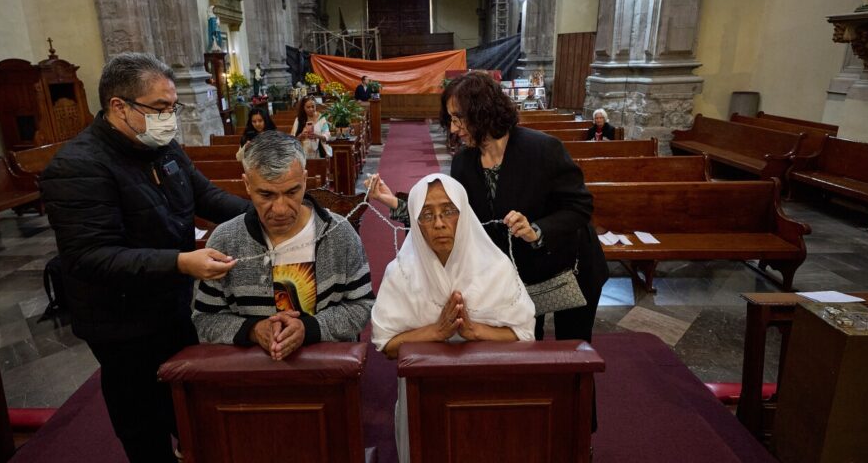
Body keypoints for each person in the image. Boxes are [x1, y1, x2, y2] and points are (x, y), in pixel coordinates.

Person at [40, 52, 249, 463]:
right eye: (159, 108)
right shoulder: (76, 167)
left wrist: (267, 210)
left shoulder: (163, 147)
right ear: (119, 106)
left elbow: (206, 196)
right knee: (144, 422)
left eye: (173, 107)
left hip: (171, 307)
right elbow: (91, 257)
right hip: (121, 323)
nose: (168, 118)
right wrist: (180, 262)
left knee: (189, 408)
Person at [368, 71, 608, 345]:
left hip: (569, 265)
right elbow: (458, 217)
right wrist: (397, 205)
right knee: (528, 346)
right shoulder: (464, 162)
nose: (454, 129)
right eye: (451, 120)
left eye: (459, 119)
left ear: (482, 111)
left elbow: (580, 206)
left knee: (573, 350)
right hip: (521, 273)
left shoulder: (542, 149)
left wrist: (536, 230)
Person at [371, 173, 535, 463]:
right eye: (426, 214)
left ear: (465, 213)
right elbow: (386, 346)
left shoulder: (495, 268)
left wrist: (474, 331)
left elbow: (523, 334)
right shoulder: (401, 274)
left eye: (448, 211)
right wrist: (437, 332)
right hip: (424, 397)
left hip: (486, 390)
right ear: (415, 221)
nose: (438, 223)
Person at [193, 131, 374, 357]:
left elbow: (361, 305)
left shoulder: (338, 234)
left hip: (325, 373)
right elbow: (204, 318)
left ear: (305, 180)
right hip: (252, 378)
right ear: (247, 184)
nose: (280, 209)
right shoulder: (225, 240)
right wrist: (254, 330)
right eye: (266, 195)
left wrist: (309, 329)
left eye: (292, 192)